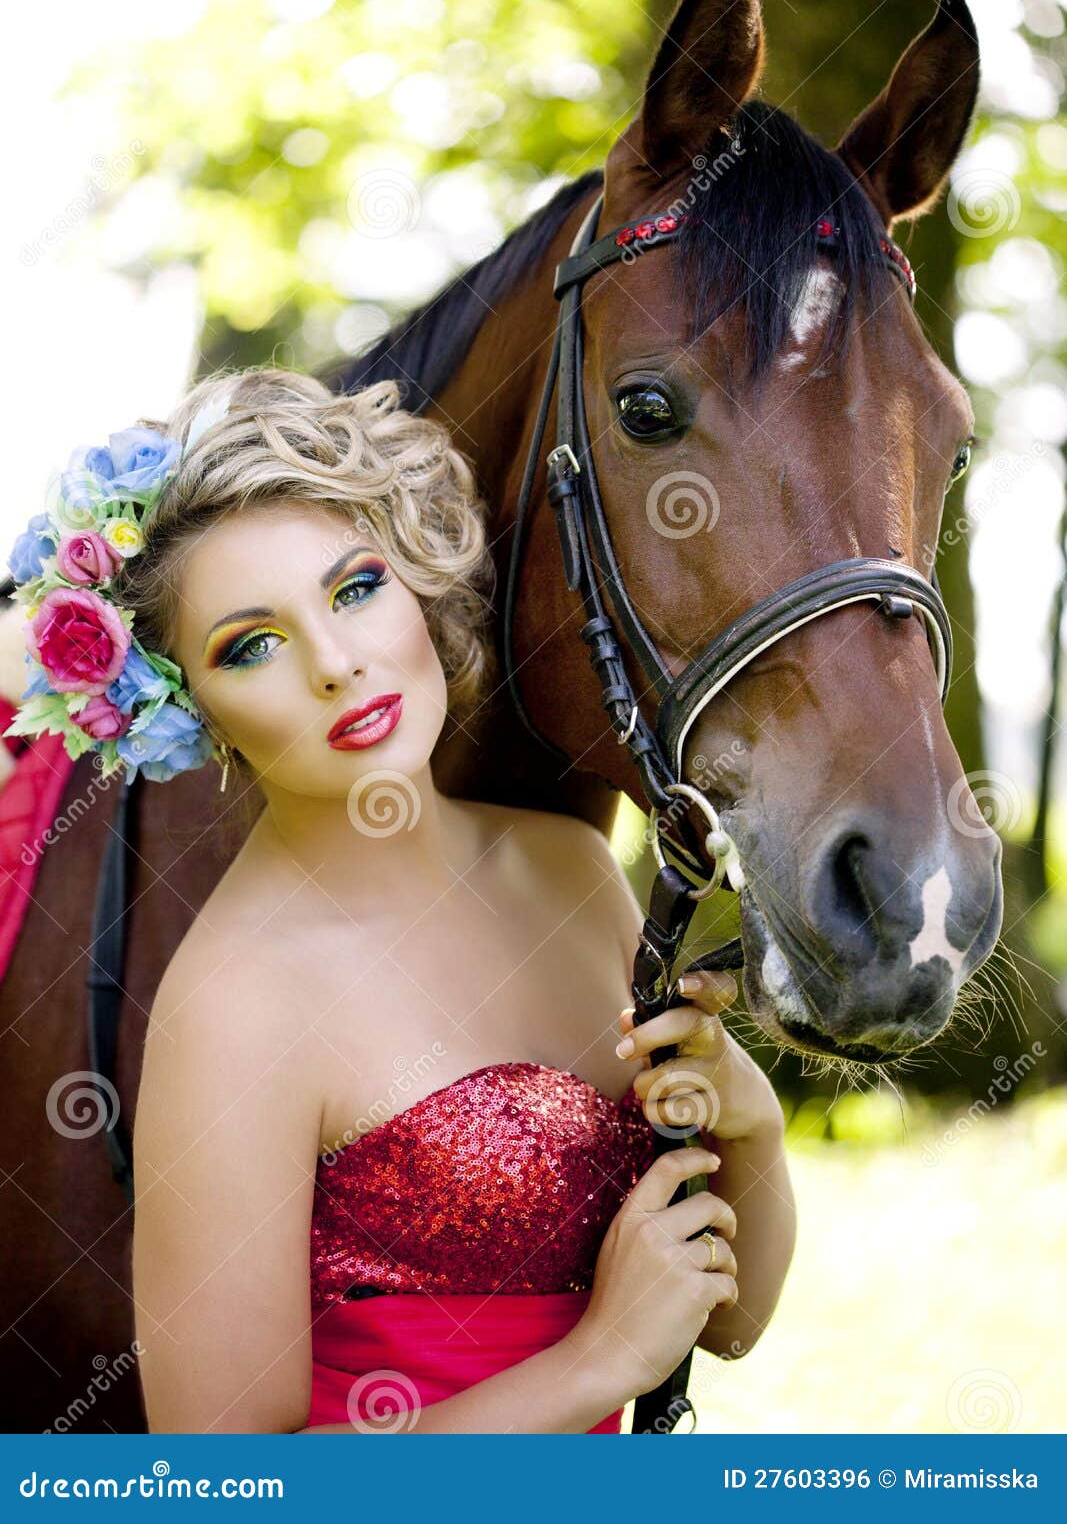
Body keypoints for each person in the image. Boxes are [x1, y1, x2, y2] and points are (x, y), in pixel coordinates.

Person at [4, 367, 795, 1433]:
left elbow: (726, 1322)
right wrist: (595, 1359)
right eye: (252, 645)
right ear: (191, 709)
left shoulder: (568, 869)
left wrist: (752, 1127)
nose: (335, 664)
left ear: (416, 577)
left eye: (355, 588)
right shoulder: (237, 1000)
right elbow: (221, 1486)